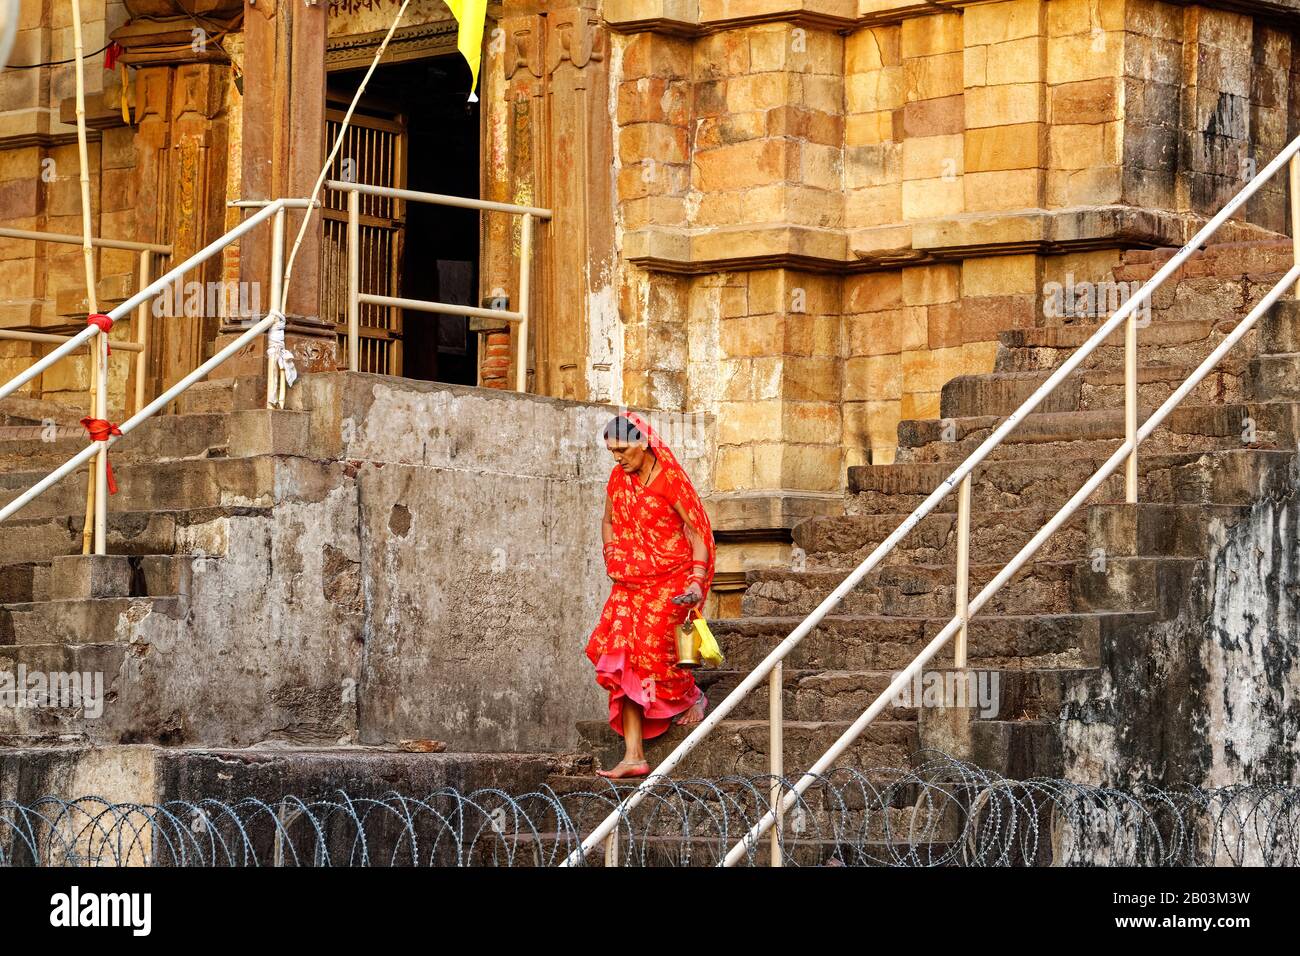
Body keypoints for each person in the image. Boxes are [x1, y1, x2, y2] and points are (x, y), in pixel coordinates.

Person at [584, 412, 715, 779]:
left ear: (644, 442)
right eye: (612, 451)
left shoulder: (670, 481)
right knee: (621, 656)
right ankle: (633, 755)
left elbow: (697, 534)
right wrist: (612, 554)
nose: (618, 458)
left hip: (673, 578)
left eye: (623, 449)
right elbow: (608, 520)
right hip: (630, 581)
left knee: (660, 654)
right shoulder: (618, 479)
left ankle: (691, 695)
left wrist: (695, 582)